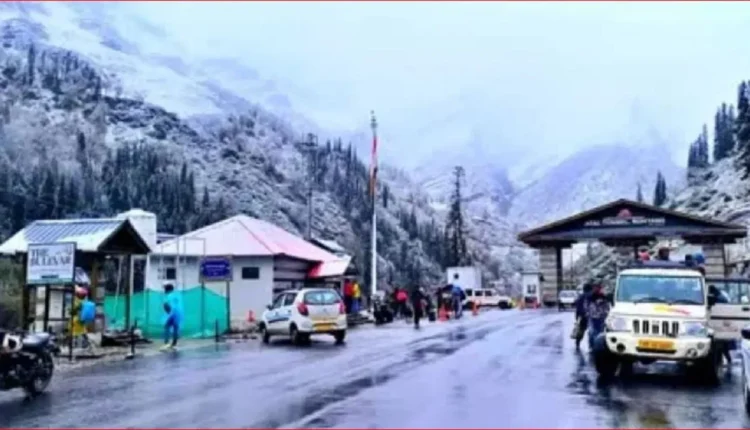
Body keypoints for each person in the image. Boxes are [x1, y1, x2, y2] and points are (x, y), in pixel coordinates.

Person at [586, 284, 610, 349]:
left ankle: (597, 346)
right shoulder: (590, 297)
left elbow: (607, 307)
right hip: (593, 317)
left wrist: (605, 313)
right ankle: (592, 346)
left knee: (599, 332)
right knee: (592, 332)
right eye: (595, 288)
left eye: (598, 288)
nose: (596, 289)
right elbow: (586, 306)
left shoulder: (603, 297)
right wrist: (587, 313)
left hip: (601, 318)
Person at [161, 283, 183, 351]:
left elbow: (165, 304)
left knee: (166, 326)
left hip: (172, 313)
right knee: (175, 328)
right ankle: (174, 344)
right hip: (179, 313)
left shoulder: (168, 296)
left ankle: (166, 343)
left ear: (167, 289)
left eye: (165, 289)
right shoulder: (177, 295)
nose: (164, 290)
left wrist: (168, 312)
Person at [573, 283, 593, 350]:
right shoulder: (591, 296)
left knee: (581, 330)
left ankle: (577, 342)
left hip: (582, 316)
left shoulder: (581, 297)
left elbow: (578, 307)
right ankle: (591, 345)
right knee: (591, 331)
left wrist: (577, 316)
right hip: (590, 316)